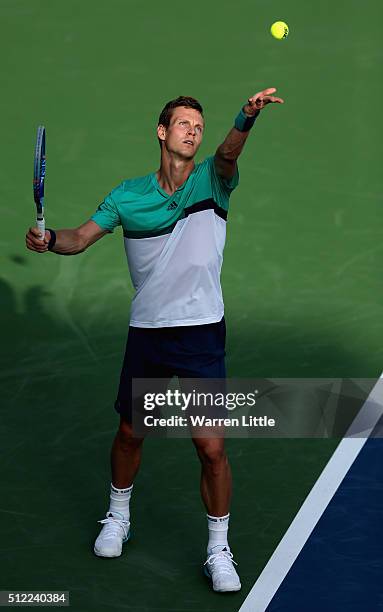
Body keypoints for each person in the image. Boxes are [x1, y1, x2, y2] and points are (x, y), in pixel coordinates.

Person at [25, 89, 284, 593]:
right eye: (183, 123)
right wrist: (51, 239)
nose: (193, 131)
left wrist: (245, 117)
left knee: (211, 449)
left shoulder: (215, 180)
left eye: (199, 126)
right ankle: (117, 516)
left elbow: (229, 153)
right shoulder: (127, 195)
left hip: (202, 332)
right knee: (129, 433)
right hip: (148, 332)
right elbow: (80, 237)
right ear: (162, 132)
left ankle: (218, 549)